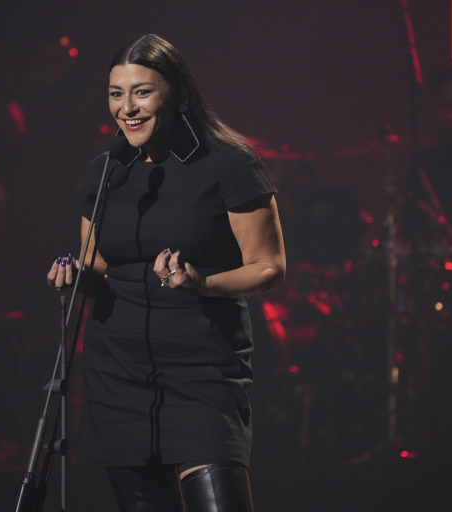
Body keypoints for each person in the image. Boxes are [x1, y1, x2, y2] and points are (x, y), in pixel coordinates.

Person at [46, 34, 285, 511]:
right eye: (116, 93)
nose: (126, 108)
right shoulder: (107, 169)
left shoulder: (228, 164)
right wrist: (75, 275)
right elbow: (96, 263)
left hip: (201, 374)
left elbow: (270, 267)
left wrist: (202, 283)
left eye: (142, 92)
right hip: (118, 373)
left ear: (175, 93)